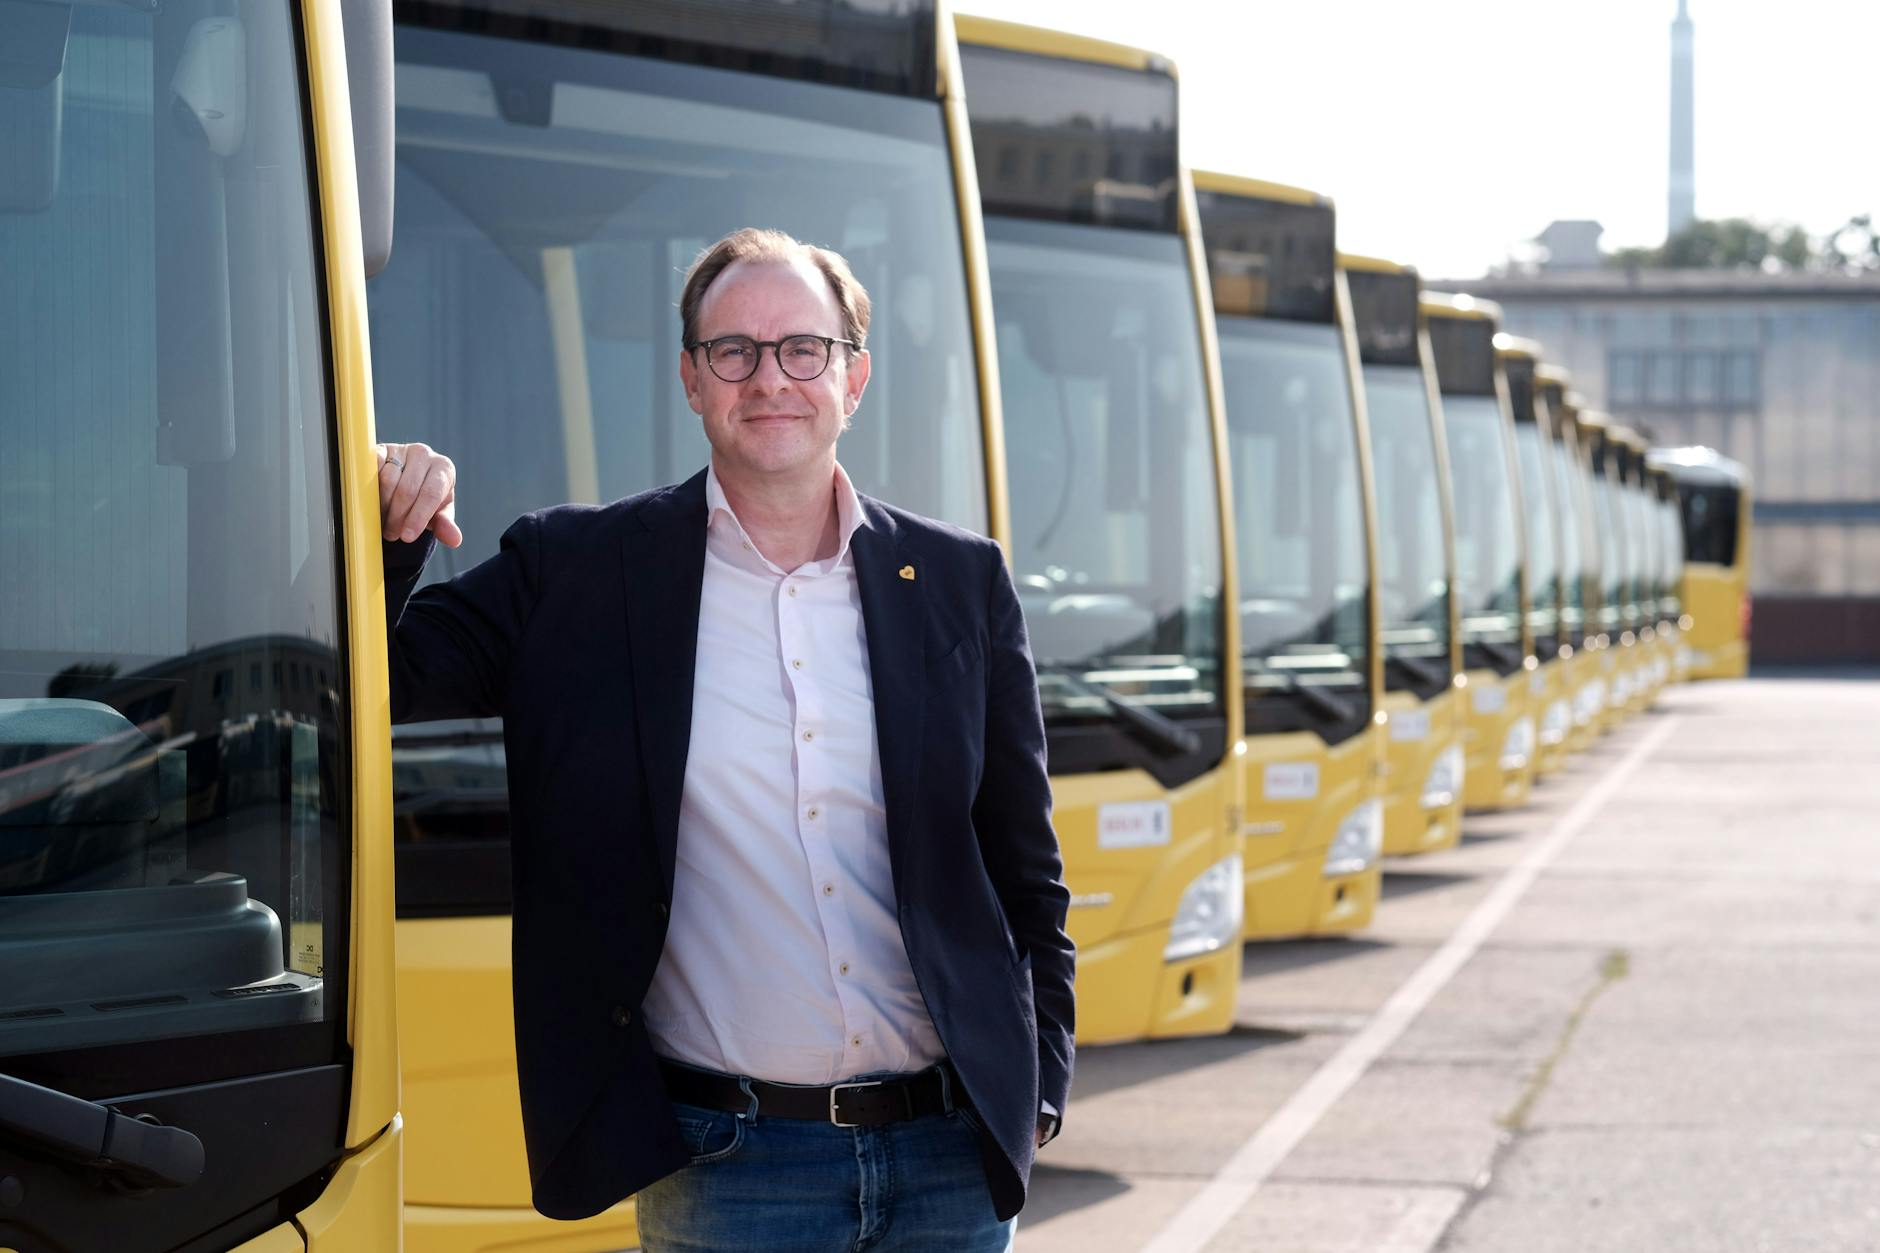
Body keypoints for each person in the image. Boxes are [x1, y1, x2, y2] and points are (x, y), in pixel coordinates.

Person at [376, 228, 1074, 1250]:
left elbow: (1025, 867)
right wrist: (391, 521)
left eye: (803, 348)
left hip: (948, 1161)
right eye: (733, 350)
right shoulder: (577, 571)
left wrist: (1040, 1080)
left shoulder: (960, 580)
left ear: (852, 378)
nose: (769, 377)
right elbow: (376, 678)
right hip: (730, 1169)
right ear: (692, 380)